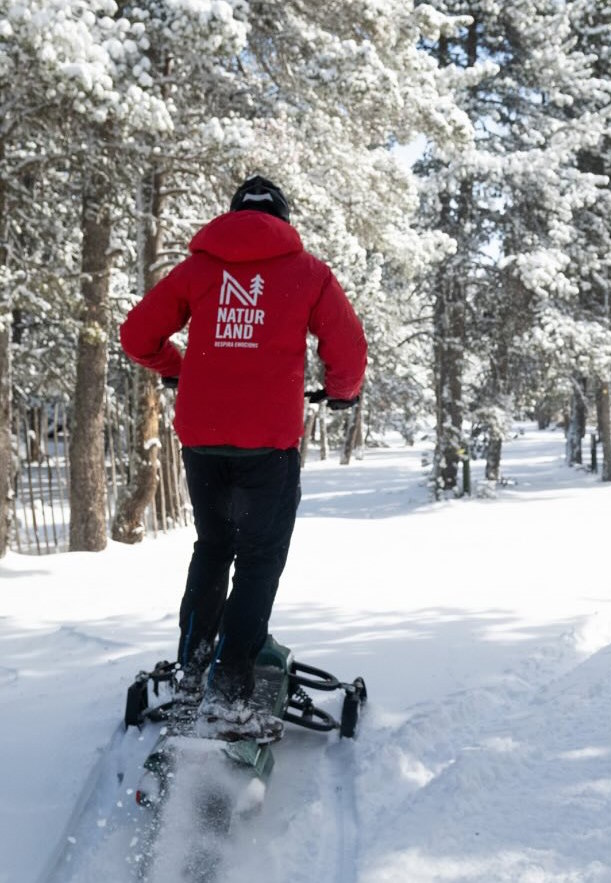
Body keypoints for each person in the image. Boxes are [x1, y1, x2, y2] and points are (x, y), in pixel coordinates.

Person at [120, 175, 367, 741]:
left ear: (232, 216)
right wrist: (342, 390)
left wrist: (179, 366)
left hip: (203, 443)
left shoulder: (200, 269)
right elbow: (347, 349)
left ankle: (192, 669)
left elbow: (137, 336)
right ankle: (231, 690)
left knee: (212, 549)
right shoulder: (308, 272)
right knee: (257, 559)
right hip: (267, 449)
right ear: (282, 218)